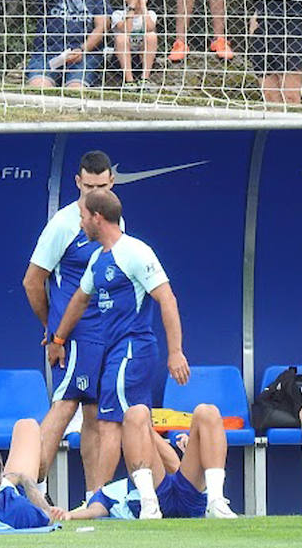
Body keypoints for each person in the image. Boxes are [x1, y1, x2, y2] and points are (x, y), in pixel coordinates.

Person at [48, 189, 190, 519]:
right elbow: (79, 301)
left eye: (83, 217)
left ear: (97, 217)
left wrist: (176, 352)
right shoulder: (98, 259)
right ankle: (185, 487)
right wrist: (57, 338)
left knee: (109, 424)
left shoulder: (135, 252)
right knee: (135, 428)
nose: (81, 223)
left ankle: (96, 501)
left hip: (133, 350)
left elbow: (166, 299)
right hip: (115, 353)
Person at [22, 150, 121, 492]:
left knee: (95, 414)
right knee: (65, 405)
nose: (95, 195)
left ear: (112, 182)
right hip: (75, 335)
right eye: (88, 187)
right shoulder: (64, 224)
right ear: (78, 183)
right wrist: (53, 330)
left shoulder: (116, 219)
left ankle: (96, 498)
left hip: (107, 332)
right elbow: (32, 281)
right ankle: (28, 490)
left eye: (102, 187)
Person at [63, 403, 236, 519]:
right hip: (152, 494)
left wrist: (193, 445)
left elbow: (174, 465)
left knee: (208, 411)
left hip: (190, 494)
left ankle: (216, 502)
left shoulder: (112, 487)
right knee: (136, 412)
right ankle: (149, 504)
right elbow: (95, 510)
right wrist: (70, 516)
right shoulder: (109, 492)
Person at [25, 0, 109, 89]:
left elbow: (101, 27)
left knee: (75, 90)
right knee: (38, 88)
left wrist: (82, 49)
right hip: (47, 52)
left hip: (82, 55)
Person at [110, 0, 159, 87]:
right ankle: (129, 81)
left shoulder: (150, 14)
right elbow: (126, 29)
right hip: (121, 60)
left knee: (151, 36)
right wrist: (132, 5)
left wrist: (142, 6)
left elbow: (149, 28)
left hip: (143, 58)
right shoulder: (118, 14)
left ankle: (145, 78)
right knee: (121, 38)